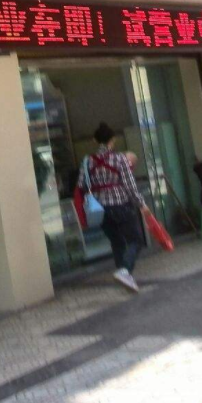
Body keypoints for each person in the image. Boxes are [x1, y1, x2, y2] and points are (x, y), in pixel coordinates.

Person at [75, 122, 147, 293]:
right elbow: (130, 185)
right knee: (136, 240)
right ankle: (125, 271)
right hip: (121, 205)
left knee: (117, 242)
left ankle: (125, 277)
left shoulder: (87, 161)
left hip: (100, 210)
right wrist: (141, 204)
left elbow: (81, 184)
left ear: (95, 140)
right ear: (112, 140)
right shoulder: (120, 158)